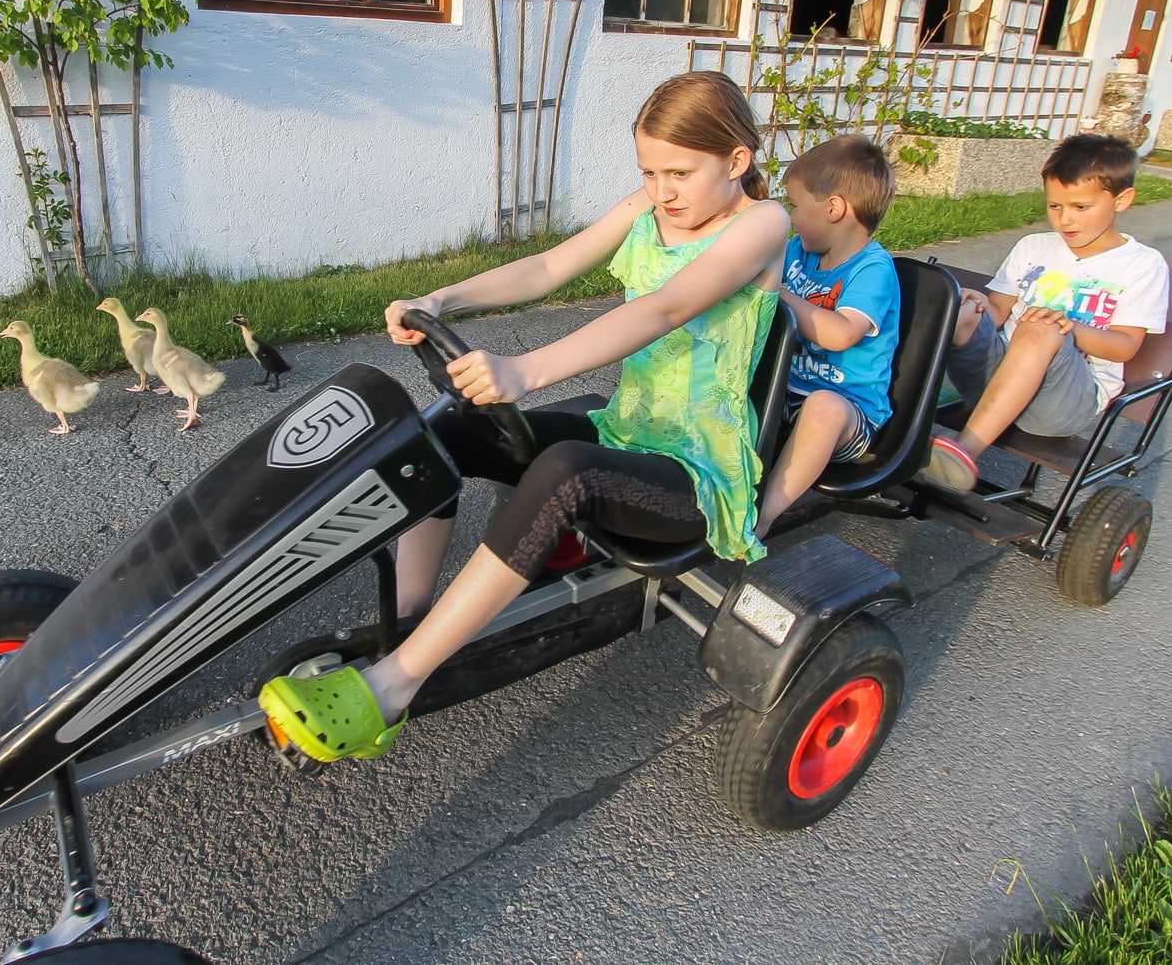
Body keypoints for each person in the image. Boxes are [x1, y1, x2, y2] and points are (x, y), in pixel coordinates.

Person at [257, 71, 790, 763]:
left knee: (565, 472)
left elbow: (666, 307)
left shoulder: (763, 224)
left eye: (680, 173)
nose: (662, 190)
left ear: (737, 160)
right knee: (443, 433)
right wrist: (441, 299)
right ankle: (412, 625)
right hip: (627, 430)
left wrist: (524, 369)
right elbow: (545, 268)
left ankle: (395, 685)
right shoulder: (649, 208)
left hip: (695, 473)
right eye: (649, 172)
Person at [921, 133, 1170, 492]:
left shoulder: (1141, 265)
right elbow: (998, 311)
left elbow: (1125, 346)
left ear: (1122, 200)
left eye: (1081, 207)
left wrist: (1069, 327)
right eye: (1055, 206)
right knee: (961, 311)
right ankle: (882, 414)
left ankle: (965, 451)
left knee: (1041, 327)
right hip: (995, 379)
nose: (1065, 220)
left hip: (1062, 403)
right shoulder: (1033, 247)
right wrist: (977, 304)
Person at [755, 136, 900, 527]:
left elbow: (840, 334)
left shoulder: (871, 270)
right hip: (784, 396)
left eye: (796, 205)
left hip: (847, 415)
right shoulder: (799, 252)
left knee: (824, 408)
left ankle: (761, 518)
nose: (792, 217)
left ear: (834, 208)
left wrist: (778, 292)